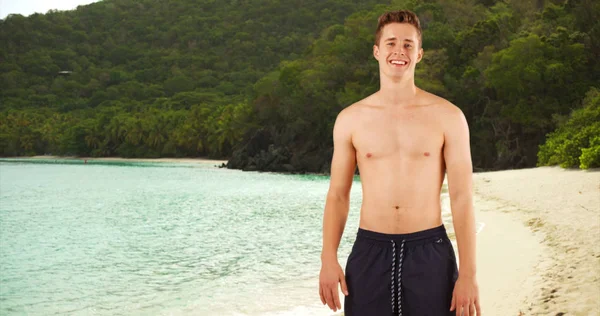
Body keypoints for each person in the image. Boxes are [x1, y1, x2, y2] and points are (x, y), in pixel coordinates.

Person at [318, 10, 481, 316]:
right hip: (369, 251)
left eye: (408, 45)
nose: (399, 51)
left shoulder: (449, 117)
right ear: (377, 51)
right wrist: (328, 258)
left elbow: (462, 198)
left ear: (419, 54)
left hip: (430, 251)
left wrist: (469, 275)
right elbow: (338, 196)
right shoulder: (351, 119)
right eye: (391, 43)